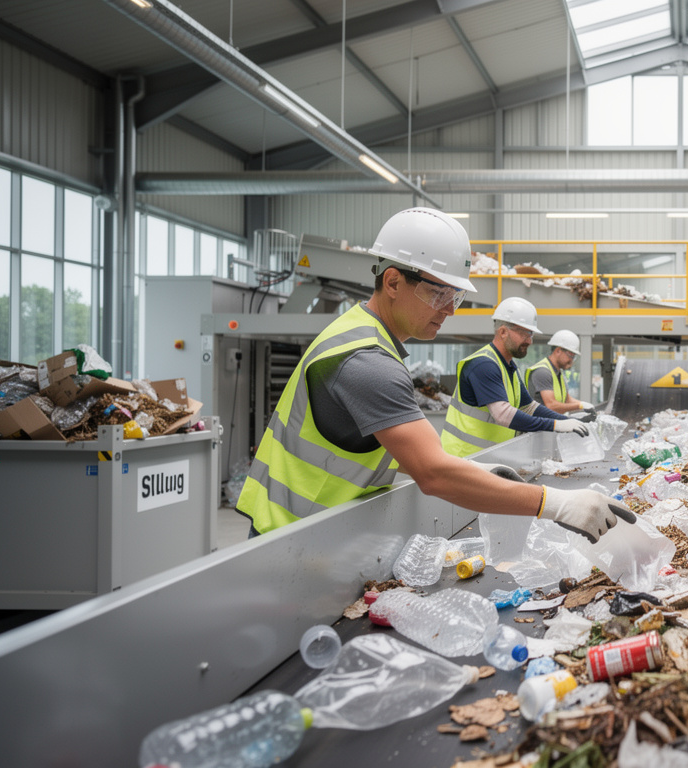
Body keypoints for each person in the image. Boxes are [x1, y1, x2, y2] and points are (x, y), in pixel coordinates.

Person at [237, 208, 630, 542]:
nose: (451, 310)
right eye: (440, 295)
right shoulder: (367, 361)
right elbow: (434, 474)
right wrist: (557, 503)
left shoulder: (366, 338)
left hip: (305, 530)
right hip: (290, 535)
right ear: (392, 281)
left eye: (455, 297)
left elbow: (397, 451)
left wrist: (477, 471)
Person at [441, 296, 591, 458]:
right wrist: (556, 424)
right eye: (525, 334)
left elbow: (529, 407)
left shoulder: (508, 366)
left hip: (487, 458)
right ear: (503, 332)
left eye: (531, 334)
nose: (530, 341)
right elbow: (503, 415)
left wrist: (567, 422)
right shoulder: (483, 364)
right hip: (464, 458)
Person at [525, 329, 596, 416]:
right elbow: (551, 406)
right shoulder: (542, 372)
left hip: (550, 425)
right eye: (570, 356)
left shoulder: (558, 373)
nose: (571, 361)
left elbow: (567, 400)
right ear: (558, 351)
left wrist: (585, 405)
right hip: (538, 427)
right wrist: (579, 405)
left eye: (574, 357)